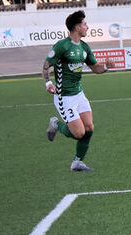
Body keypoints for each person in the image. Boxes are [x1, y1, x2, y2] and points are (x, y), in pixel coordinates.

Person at [43, 10, 108, 171]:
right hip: (64, 97)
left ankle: (77, 162)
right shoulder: (62, 46)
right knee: (79, 133)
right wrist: (48, 84)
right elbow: (46, 66)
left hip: (79, 94)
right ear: (77, 27)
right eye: (85, 24)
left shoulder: (84, 47)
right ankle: (56, 124)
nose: (87, 27)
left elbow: (96, 69)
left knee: (89, 128)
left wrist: (106, 66)